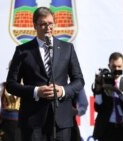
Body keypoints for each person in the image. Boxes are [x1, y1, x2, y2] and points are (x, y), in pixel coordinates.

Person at [6, 7, 84, 141]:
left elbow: (79, 81)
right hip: (33, 121)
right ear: (35, 26)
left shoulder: (67, 48)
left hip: (61, 121)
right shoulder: (22, 51)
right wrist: (36, 91)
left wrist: (63, 91)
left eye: (50, 23)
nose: (48, 27)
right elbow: (11, 85)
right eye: (43, 24)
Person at [92, 52, 123, 141]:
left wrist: (118, 91)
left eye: (119, 66)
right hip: (106, 130)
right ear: (109, 66)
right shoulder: (102, 83)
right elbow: (97, 107)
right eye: (114, 66)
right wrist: (99, 90)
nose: (116, 69)